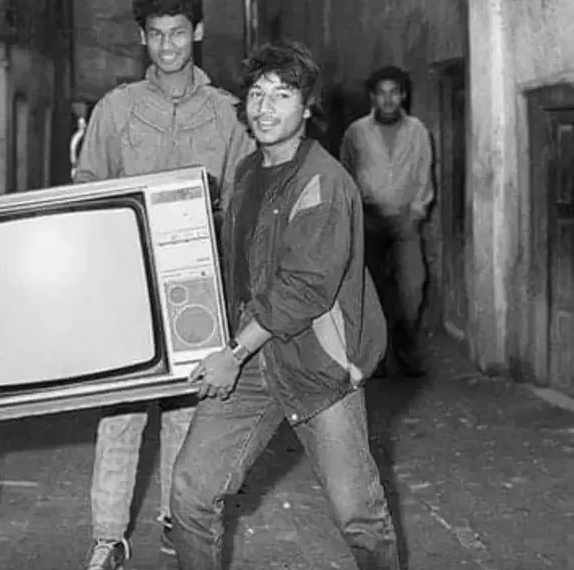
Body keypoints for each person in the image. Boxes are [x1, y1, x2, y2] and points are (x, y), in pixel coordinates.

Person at [168, 41, 400, 570]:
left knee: (358, 515)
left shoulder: (324, 181)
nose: (265, 107)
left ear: (307, 107)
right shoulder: (247, 171)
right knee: (190, 491)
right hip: (252, 352)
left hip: (316, 360)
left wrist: (233, 351)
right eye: (256, 93)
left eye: (282, 94)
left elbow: (304, 287)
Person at [72, 0, 254, 567]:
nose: (168, 46)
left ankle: (178, 520)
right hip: (127, 286)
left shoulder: (229, 113)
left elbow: (248, 203)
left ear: (197, 32)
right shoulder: (116, 109)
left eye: (178, 33)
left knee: (186, 409)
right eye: (157, 35)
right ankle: (108, 536)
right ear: (142, 38)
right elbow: (87, 190)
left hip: (199, 288)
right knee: (120, 411)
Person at [340, 64, 434, 377]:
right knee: (373, 290)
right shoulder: (356, 132)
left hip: (405, 220)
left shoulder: (418, 131)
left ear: (403, 95)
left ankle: (405, 350)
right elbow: (345, 175)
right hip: (369, 220)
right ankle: (376, 358)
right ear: (373, 97)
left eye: (395, 93)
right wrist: (356, 217)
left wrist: (418, 211)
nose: (389, 99)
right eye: (382, 93)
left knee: (412, 288)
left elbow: (424, 172)